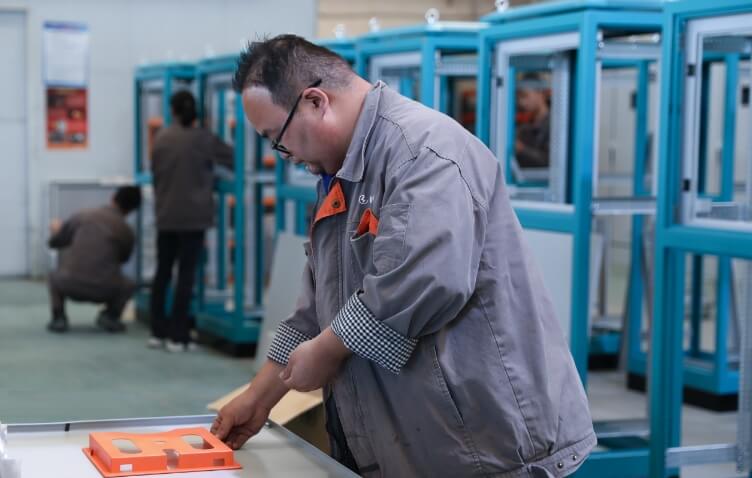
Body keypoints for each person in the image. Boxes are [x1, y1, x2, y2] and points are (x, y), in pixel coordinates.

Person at [212, 35, 595, 477]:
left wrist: (330, 349)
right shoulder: (341, 175)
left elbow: (424, 281)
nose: (284, 156)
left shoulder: (423, 153)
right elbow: (318, 307)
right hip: (417, 443)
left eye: (277, 139)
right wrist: (257, 399)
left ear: (316, 102)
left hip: (487, 448)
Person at [148, 91, 233, 353]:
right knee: (185, 276)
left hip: (166, 215)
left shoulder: (162, 138)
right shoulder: (203, 138)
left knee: (162, 273)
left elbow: (156, 173)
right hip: (194, 218)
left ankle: (157, 332)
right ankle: (179, 335)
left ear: (172, 110)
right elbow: (233, 158)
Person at [47, 185, 141, 333]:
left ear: (113, 198)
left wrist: (56, 231)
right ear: (132, 209)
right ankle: (110, 316)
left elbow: (55, 243)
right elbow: (123, 259)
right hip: (105, 290)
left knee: (53, 276)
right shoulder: (127, 231)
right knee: (129, 284)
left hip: (70, 285)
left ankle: (58, 317)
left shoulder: (82, 215)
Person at [515, 73, 551, 169]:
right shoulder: (525, 124)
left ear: (540, 93)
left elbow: (549, 161)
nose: (521, 102)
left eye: (525, 95)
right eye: (518, 97)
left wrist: (521, 149)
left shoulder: (553, 124)